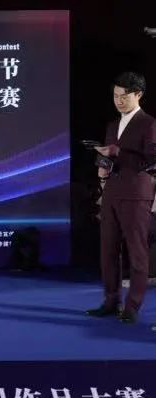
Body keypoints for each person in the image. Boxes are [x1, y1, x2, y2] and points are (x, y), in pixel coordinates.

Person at [86, 72, 156, 324]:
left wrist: (119, 152)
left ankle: (132, 306)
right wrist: (103, 164)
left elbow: (151, 159)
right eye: (115, 96)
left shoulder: (149, 123)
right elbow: (110, 159)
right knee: (108, 250)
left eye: (124, 96)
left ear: (139, 95)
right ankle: (110, 300)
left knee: (137, 252)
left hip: (136, 193)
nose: (119, 101)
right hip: (112, 192)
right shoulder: (112, 125)